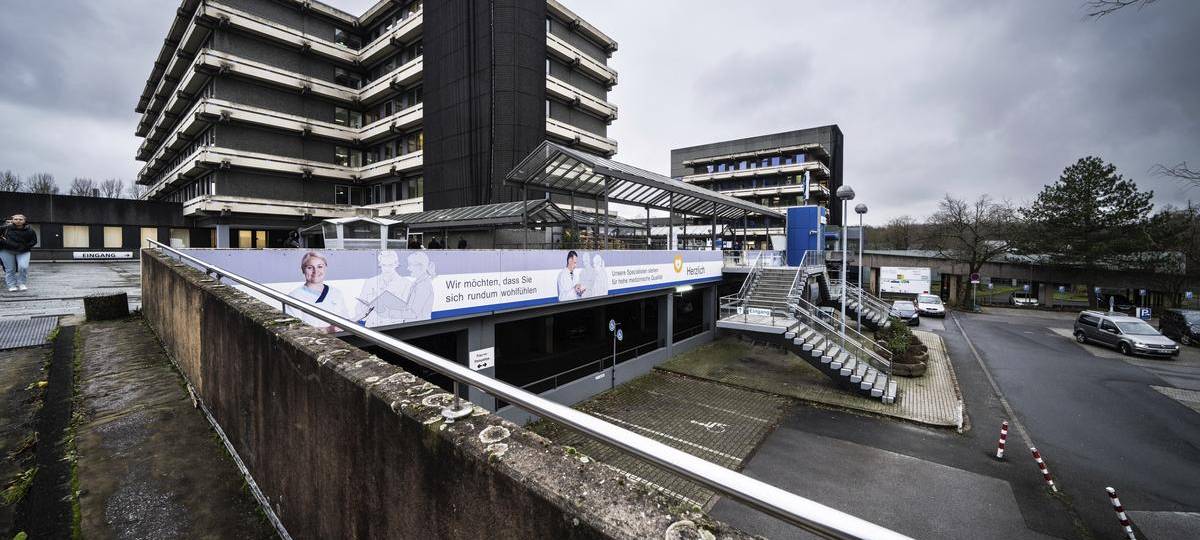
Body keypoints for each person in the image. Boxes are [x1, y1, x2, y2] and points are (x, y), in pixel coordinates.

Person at [286, 252, 350, 332]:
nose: (315, 271)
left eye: (320, 266)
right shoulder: (294, 297)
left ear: (325, 268)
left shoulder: (336, 293)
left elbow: (346, 322)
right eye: (310, 267)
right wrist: (327, 330)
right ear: (303, 270)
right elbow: (293, 329)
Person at [355, 251, 413, 326]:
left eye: (390, 265)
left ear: (396, 264)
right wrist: (366, 310)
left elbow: (409, 311)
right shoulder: (370, 282)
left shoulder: (406, 284)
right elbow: (359, 308)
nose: (387, 269)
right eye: (384, 265)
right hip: (372, 325)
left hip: (393, 326)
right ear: (380, 264)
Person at [0, 214, 38, 292]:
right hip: (6, 251)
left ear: (24, 221)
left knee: (23, 267)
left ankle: (22, 283)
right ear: (12, 220)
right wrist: (3, 241)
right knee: (10, 269)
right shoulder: (5, 228)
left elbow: (34, 241)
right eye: (16, 219)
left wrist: (26, 247)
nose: (18, 221)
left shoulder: (30, 230)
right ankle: (12, 285)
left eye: (20, 219)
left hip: (23, 251)